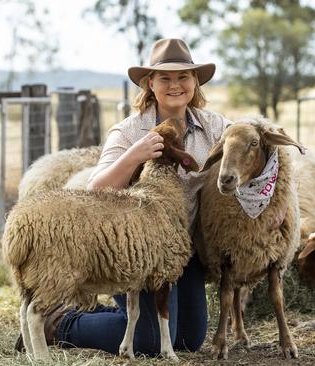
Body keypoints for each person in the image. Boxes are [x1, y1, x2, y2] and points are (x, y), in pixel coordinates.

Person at [15, 38, 231, 356]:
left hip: (181, 248)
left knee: (189, 339)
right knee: (151, 342)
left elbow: (249, 149)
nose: (175, 85)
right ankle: (61, 324)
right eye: (165, 78)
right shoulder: (129, 131)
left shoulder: (214, 127)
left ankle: (111, 319)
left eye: (183, 77)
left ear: (194, 81)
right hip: (132, 248)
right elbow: (95, 191)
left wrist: (271, 195)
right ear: (150, 83)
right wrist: (134, 155)